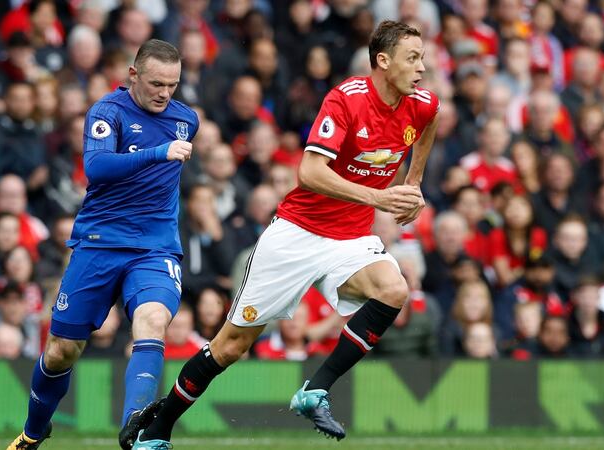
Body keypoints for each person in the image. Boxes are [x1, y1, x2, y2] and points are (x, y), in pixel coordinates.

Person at [130, 21, 439, 448]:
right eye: (413, 57)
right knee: (230, 347)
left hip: (350, 238)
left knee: (393, 289)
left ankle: (316, 391)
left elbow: (428, 124)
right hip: (296, 235)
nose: (422, 67)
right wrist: (379, 197)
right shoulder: (346, 101)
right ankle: (158, 426)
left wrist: (414, 183)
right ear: (383, 62)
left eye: (422, 57)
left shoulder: (421, 104)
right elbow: (309, 172)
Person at [6, 39, 198, 450]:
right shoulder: (107, 113)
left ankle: (138, 425)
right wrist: (159, 152)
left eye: (173, 85)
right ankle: (34, 431)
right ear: (133, 76)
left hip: (155, 248)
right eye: (156, 83)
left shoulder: (186, 120)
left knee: (152, 320)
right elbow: (96, 167)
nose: (165, 93)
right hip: (98, 244)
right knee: (61, 352)